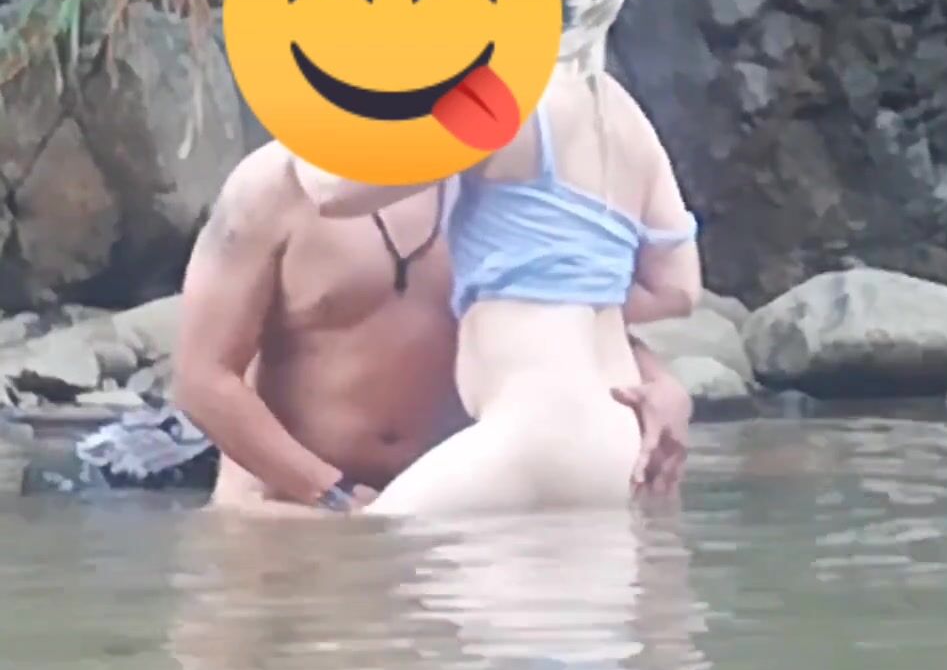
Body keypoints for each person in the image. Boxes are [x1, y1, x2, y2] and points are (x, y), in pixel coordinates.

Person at [302, 0, 701, 518]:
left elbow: (334, 190)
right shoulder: (628, 119)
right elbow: (678, 289)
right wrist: (562, 287)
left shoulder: (500, 96)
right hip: (617, 441)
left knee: (371, 551)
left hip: (536, 431)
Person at [79, 145, 692, 511]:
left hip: (448, 506)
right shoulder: (271, 185)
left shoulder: (499, 185)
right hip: (284, 515)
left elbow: (568, 313)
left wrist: (659, 382)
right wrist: (331, 492)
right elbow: (203, 377)